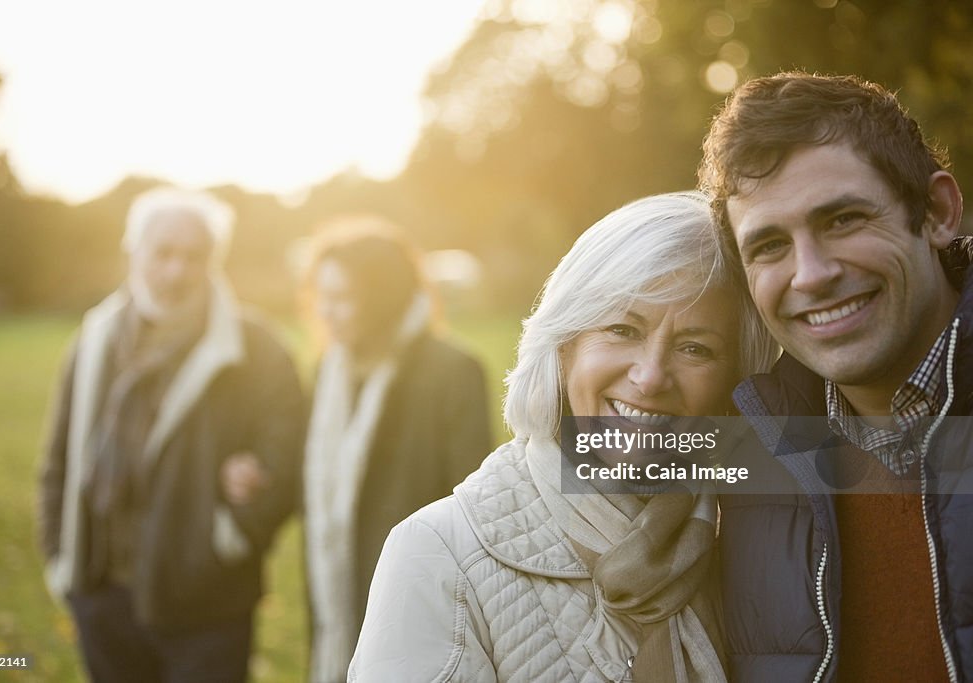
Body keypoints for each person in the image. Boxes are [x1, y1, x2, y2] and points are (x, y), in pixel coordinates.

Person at [348, 192, 780, 681]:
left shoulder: (759, 544)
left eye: (696, 348)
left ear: (736, 386)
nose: (652, 375)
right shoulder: (437, 552)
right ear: (563, 347)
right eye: (622, 329)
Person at [699, 71, 973, 681]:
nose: (812, 274)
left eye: (843, 219)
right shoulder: (748, 456)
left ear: (937, 211)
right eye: (769, 246)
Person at [38, 187, 305, 683]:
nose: (176, 271)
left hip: (207, 605)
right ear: (133, 252)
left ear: (213, 264)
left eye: (193, 257)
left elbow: (288, 456)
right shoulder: (95, 337)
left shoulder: (257, 347)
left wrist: (234, 533)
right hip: (101, 594)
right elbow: (57, 460)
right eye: (162, 253)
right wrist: (62, 559)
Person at [301, 219, 492, 683]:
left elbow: (471, 509)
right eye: (322, 297)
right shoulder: (330, 371)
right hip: (336, 604)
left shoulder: (453, 372)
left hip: (421, 602)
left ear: (382, 297)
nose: (326, 312)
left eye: (342, 298)